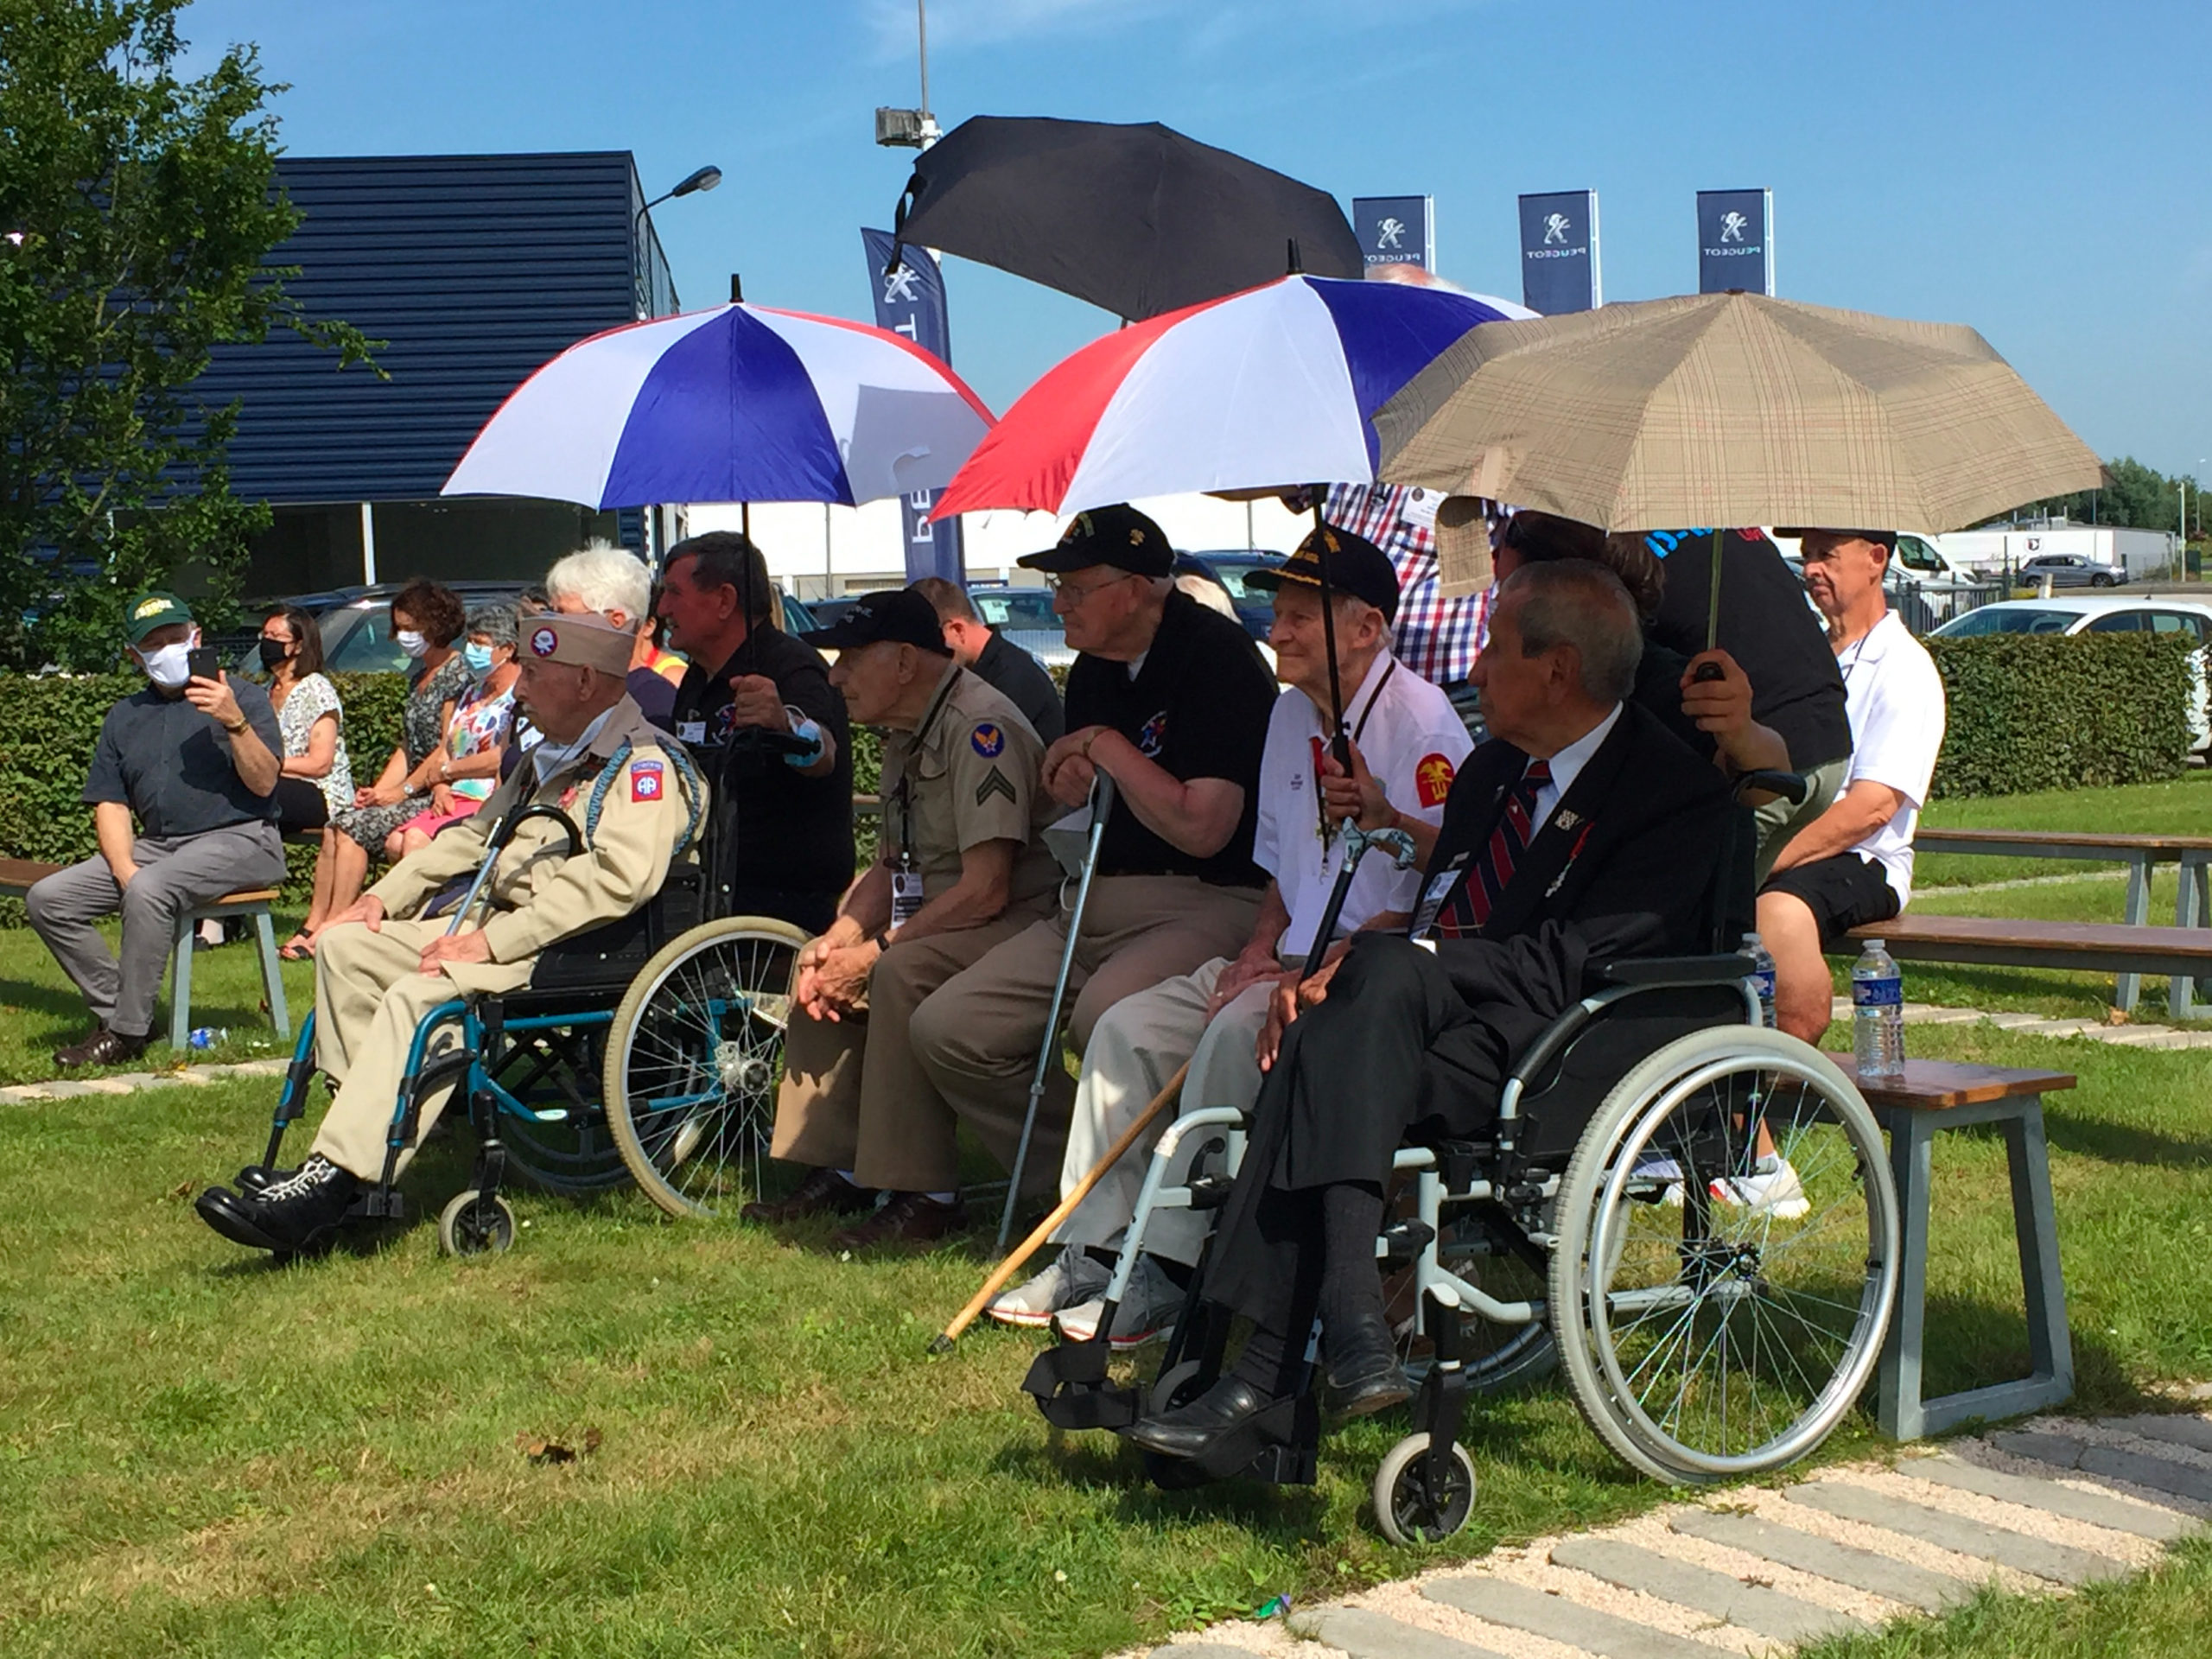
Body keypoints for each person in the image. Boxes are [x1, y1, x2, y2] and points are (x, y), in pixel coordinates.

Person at [1127, 562, 1734, 1460]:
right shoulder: (1491, 771)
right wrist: (1352, 961)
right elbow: (1437, 908)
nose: (1477, 669)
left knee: (1346, 1015)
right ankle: (1325, 1345)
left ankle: (1271, 1360)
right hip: (1435, 1026)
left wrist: (1395, 961)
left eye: (1493, 648)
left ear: (1558, 669)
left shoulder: (1671, 794)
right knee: (1322, 1020)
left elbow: (1570, 961)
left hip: (1567, 1043)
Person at [988, 524, 1471, 1342]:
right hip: (1283, 957)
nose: (1275, 631)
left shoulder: (1422, 724)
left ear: (1367, 628)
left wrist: (1313, 960)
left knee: (1227, 1037)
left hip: (1361, 975)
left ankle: (1173, 1268)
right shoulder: (1289, 715)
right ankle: (1094, 1250)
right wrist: (1255, 952)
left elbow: (1444, 884)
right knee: (1123, 1031)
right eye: (1275, 612)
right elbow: (1281, 867)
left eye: (1296, 616)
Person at [193, 613, 698, 1255]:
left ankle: (339, 1178)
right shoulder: (550, 754)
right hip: (502, 926)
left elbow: (613, 883)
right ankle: (355, 1157)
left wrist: (491, 943)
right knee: (348, 950)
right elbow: (469, 838)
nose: (518, 689)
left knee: (420, 992)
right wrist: (378, 900)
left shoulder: (642, 765)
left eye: (536, 675)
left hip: (569, 946)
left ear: (585, 682)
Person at [908, 505, 1278, 1218]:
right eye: (1059, 587)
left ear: (1136, 589)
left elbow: (1203, 829)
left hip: (1205, 897)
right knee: (949, 1027)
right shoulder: (1093, 669)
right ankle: (1085, 1188)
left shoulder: (1217, 658)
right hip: (1095, 894)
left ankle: (1132, 1208)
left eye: (1075, 588)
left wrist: (1105, 749)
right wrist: (1071, 776)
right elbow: (1085, 786)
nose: (1058, 603)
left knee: (1106, 1016)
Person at [747, 589, 1065, 1247]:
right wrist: (840, 939)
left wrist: (882, 948)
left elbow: (988, 888)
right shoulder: (908, 729)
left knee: (900, 972)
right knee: (820, 960)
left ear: (903, 660)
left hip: (1020, 917)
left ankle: (928, 1194)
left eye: (851, 658)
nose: (835, 675)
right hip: (952, 913)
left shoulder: (983, 728)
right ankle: (841, 1164)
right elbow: (892, 866)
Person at [27, 591, 288, 1067]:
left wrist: (236, 724)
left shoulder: (243, 697)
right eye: (154, 643)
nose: (168, 650)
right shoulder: (126, 716)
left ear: (197, 637)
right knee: (50, 898)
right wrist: (123, 867)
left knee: (149, 887)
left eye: (176, 637)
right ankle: (126, 1011)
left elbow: (266, 782)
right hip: (160, 845)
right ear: (134, 655)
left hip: (244, 836)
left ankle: (124, 1035)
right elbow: (110, 802)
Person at [1759, 529, 1947, 1046]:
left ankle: (1790, 1063)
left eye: (1826, 556)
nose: (1811, 569)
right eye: (1806, 557)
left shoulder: (1904, 668)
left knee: (1776, 913)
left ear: (1876, 560)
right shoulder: (1805, 661)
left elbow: (1872, 807)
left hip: (1866, 861)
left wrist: (1768, 858)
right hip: (1794, 846)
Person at [1485, 511, 1794, 800]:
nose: (1477, 673)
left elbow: (1765, 786)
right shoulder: (1487, 770)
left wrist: (1739, 732)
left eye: (1508, 611)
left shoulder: (1663, 688)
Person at [656, 531, 854, 934]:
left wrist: (786, 724)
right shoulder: (697, 678)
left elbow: (823, 753)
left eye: (674, 592)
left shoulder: (792, 668)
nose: (662, 608)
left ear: (725, 600)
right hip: (707, 895)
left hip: (781, 909)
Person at [1638, 526, 1855, 873]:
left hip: (1757, 757)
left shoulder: (1624, 557)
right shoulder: (1724, 520)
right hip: (1828, 738)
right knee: (1732, 913)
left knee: (1693, 915)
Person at [311, 581, 472, 940]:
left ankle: (334, 925)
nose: (402, 636)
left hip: (438, 790)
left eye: (410, 628)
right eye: (399, 627)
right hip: (411, 789)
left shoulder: (458, 675)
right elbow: (407, 744)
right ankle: (314, 921)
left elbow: (445, 746)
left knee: (353, 830)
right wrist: (378, 792)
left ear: (436, 626)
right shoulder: (417, 677)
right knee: (339, 823)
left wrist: (403, 791)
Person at [391, 605, 520, 857]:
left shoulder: (517, 698)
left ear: (508, 649)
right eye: (470, 642)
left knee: (415, 841)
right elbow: (445, 749)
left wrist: (448, 772)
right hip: (452, 793)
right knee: (395, 842)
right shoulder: (472, 693)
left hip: (487, 799)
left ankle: (435, 897)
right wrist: (441, 788)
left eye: (480, 643)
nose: (472, 650)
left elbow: (500, 757)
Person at [909, 575, 1065, 743]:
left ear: (957, 630)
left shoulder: (1012, 676)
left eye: (928, 646)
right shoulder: (983, 670)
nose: (925, 660)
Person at [545, 541, 680, 725]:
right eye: (551, 613)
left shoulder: (652, 701)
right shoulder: (579, 688)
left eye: (564, 614)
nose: (553, 624)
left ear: (616, 623)